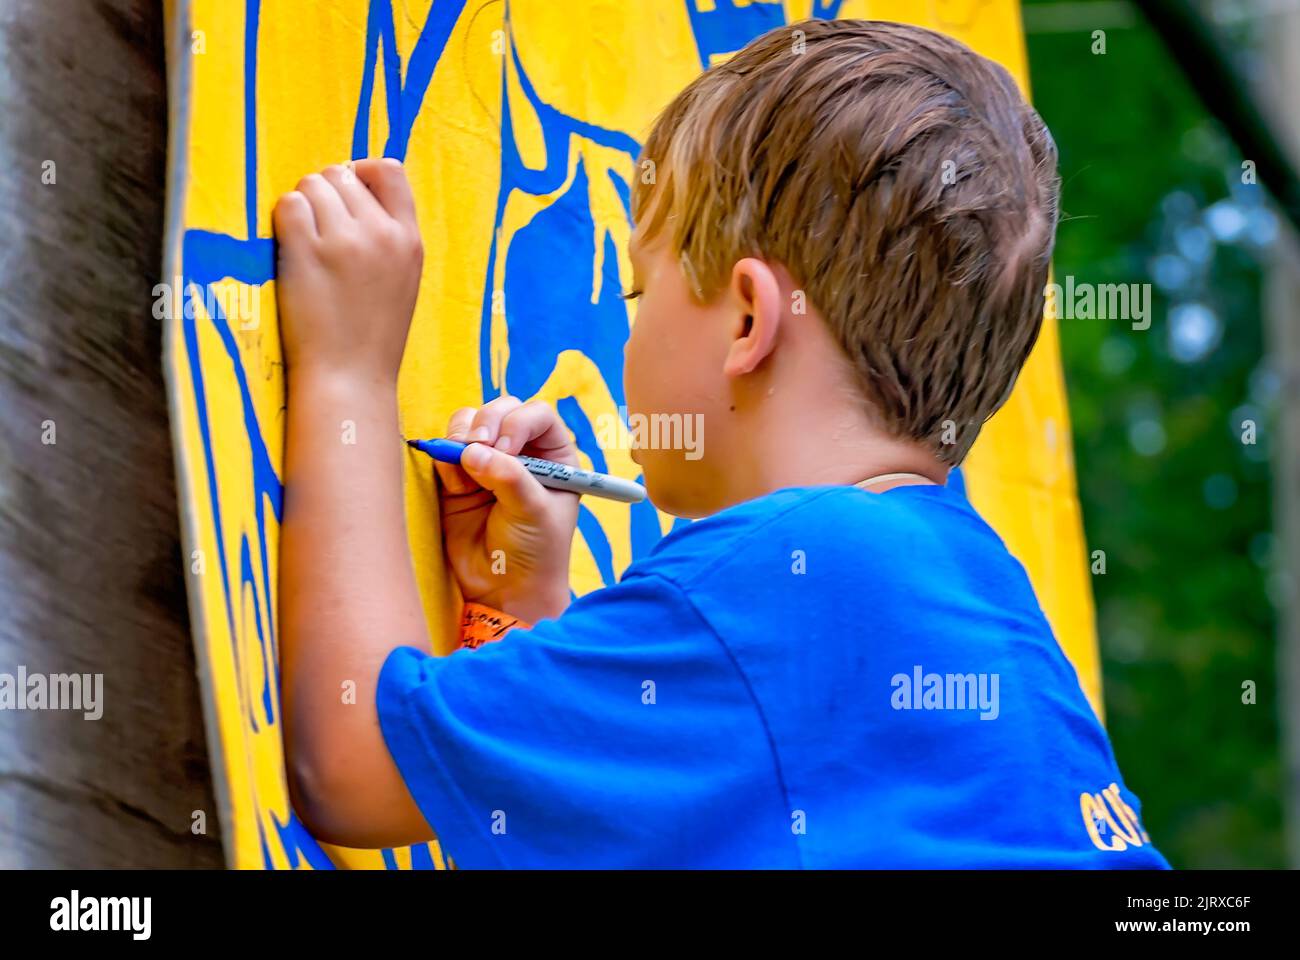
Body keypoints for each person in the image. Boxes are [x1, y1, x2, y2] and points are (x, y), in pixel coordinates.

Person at [273, 19, 1168, 868]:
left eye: (636, 292)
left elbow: (352, 770)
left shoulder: (784, 570)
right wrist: (511, 619)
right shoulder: (978, 590)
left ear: (748, 319)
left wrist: (347, 371)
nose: (627, 332)